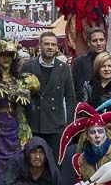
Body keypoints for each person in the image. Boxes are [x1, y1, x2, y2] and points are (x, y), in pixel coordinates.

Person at [0, 39, 40, 180]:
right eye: (2, 55)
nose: (6, 58)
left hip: (17, 127)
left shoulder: (23, 80)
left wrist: (25, 93)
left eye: (9, 55)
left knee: (18, 163)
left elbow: (32, 103)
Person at [23, 31, 75, 161]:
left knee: (56, 161)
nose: (50, 47)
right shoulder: (28, 66)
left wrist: (68, 124)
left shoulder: (64, 68)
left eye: (53, 44)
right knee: (33, 161)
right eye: (46, 44)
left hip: (56, 126)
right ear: (39, 45)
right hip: (34, 123)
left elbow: (70, 98)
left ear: (57, 47)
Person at [71, 27, 107, 105]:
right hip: (85, 109)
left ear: (105, 41)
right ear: (88, 43)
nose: (99, 43)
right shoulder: (79, 63)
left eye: (101, 40)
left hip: (110, 108)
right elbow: (73, 89)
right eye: (95, 41)